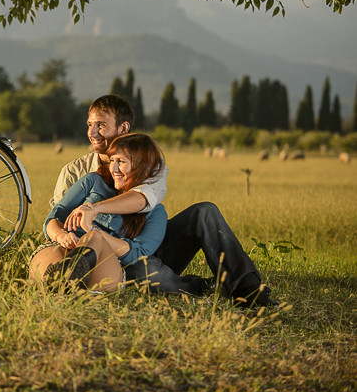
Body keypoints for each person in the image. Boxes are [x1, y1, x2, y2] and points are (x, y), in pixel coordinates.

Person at [48, 94, 276, 308]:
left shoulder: (151, 166)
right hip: (102, 255)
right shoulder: (74, 172)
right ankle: (194, 285)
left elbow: (142, 199)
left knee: (205, 212)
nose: (93, 132)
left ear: (123, 127)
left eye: (101, 125)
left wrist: (93, 208)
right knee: (142, 269)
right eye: (90, 124)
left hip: (144, 244)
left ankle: (249, 291)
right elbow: (59, 219)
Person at [29, 133, 168, 292]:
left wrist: (92, 231)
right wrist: (61, 235)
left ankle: (66, 282)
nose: (113, 169)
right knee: (56, 266)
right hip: (64, 248)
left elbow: (136, 253)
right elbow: (53, 218)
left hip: (106, 263)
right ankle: (64, 281)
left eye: (121, 162)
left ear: (142, 166)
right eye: (112, 161)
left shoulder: (156, 211)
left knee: (95, 237)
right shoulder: (93, 181)